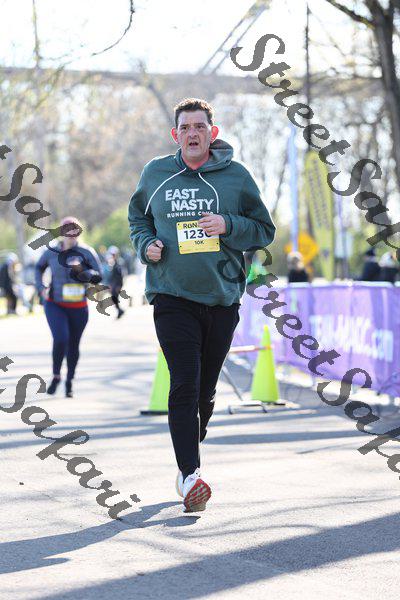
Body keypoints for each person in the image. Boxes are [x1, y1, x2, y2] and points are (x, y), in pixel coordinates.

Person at [128, 97, 276, 512]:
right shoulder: (156, 173)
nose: (192, 133)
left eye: (199, 127)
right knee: (185, 383)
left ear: (213, 133)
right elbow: (138, 219)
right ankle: (190, 474)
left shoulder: (236, 177)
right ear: (175, 135)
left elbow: (264, 230)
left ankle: (189, 457)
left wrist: (228, 224)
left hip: (222, 298)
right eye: (185, 128)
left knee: (205, 393)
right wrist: (145, 244)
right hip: (171, 296)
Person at [35, 216, 102, 398]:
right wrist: (41, 287)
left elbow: (99, 276)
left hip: (78, 307)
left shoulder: (86, 252)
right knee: (61, 338)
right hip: (55, 304)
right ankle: (56, 375)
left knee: (73, 344)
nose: (71, 233)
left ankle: (69, 380)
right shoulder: (51, 252)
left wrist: (83, 271)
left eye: (74, 229)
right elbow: (38, 268)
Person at [107, 245, 126, 319]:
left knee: (115, 298)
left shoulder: (119, 263)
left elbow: (121, 276)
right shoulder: (113, 263)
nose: (112, 256)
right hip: (113, 284)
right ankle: (119, 310)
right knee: (114, 298)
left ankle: (120, 311)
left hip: (117, 285)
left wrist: (119, 286)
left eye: (113, 254)